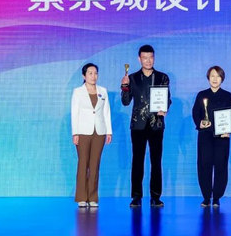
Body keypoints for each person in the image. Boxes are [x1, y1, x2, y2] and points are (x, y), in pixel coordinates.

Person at [121, 44, 171, 207]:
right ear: (139, 59)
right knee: (137, 161)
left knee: (156, 161)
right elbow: (126, 102)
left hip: (156, 124)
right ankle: (136, 196)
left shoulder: (162, 77)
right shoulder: (132, 78)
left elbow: (167, 99)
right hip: (138, 125)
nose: (148, 60)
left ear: (154, 58)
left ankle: (155, 196)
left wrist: (165, 108)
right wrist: (125, 87)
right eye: (144, 57)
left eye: (150, 57)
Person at [71, 63, 112, 208]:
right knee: (83, 163)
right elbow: (75, 113)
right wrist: (75, 132)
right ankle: (82, 197)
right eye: (90, 73)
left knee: (95, 164)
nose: (93, 76)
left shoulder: (103, 91)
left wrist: (109, 131)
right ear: (84, 75)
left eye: (95, 73)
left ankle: (93, 197)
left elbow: (106, 112)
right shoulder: (78, 92)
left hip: (99, 132)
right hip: (83, 132)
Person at [192, 66, 231, 207]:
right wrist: (200, 123)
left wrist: (227, 129)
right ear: (208, 78)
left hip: (222, 136)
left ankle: (216, 197)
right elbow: (196, 113)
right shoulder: (201, 94)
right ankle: (206, 196)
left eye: (218, 76)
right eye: (212, 76)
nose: (215, 79)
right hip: (205, 135)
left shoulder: (227, 95)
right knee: (204, 165)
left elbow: (230, 115)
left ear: (222, 78)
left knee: (221, 165)